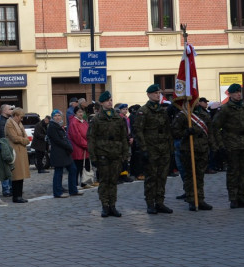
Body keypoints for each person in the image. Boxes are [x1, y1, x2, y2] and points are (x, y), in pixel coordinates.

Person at [212, 83, 244, 208]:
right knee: (233, 172)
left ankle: (242, 196)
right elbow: (215, 127)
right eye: (235, 92)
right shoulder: (225, 109)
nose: (238, 94)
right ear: (230, 94)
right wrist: (220, 145)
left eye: (239, 92)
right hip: (231, 143)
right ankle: (233, 198)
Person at [133, 84, 174, 214]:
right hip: (151, 150)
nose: (158, 95)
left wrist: (170, 148)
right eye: (155, 93)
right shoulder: (143, 111)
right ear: (149, 95)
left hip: (163, 149)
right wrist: (143, 149)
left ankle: (160, 202)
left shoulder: (162, 110)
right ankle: (150, 203)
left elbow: (168, 130)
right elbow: (138, 131)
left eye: (159, 93)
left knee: (162, 177)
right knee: (151, 178)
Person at [87, 91, 129, 217]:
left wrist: (125, 154)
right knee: (105, 181)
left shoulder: (118, 118)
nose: (110, 102)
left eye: (111, 100)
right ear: (102, 103)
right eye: (107, 101)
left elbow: (124, 137)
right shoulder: (97, 119)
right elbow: (91, 138)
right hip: (102, 154)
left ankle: (113, 205)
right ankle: (105, 206)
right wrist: (93, 157)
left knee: (113, 181)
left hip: (116, 153)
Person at [172, 99, 213, 211]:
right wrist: (186, 132)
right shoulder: (182, 115)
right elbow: (174, 132)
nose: (196, 102)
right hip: (188, 149)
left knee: (200, 175)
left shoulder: (204, 114)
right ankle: (191, 200)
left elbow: (210, 131)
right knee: (190, 175)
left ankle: (200, 199)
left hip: (202, 148)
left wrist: (213, 145)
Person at [47, 109, 79, 199]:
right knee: (58, 172)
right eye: (55, 116)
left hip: (65, 152)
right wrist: (68, 146)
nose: (57, 117)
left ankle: (73, 190)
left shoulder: (59, 126)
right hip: (58, 153)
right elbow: (57, 140)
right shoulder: (52, 126)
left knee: (73, 169)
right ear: (52, 117)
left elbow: (65, 138)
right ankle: (57, 192)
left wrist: (69, 146)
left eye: (59, 115)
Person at [0, 104, 14, 197]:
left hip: (9, 147)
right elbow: (4, 137)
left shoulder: (8, 120)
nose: (12, 110)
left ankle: (10, 188)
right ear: (4, 111)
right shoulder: (1, 122)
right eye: (10, 109)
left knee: (10, 168)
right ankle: (6, 189)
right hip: (5, 147)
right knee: (5, 168)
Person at [67, 107, 89, 188]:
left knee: (85, 166)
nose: (81, 114)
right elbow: (77, 137)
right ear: (75, 113)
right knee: (77, 167)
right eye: (79, 112)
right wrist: (87, 145)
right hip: (78, 149)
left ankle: (85, 182)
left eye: (82, 112)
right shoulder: (74, 123)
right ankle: (75, 184)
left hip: (85, 149)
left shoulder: (84, 122)